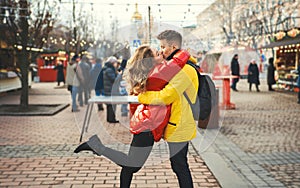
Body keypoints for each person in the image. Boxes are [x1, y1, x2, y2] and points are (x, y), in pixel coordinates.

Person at [74, 44, 191, 188]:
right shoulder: (157, 74)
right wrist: (183, 51)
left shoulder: (153, 73)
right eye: (157, 53)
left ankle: (97, 147)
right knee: (132, 164)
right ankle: (97, 146)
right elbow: (178, 62)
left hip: (145, 122)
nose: (160, 52)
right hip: (148, 126)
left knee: (130, 163)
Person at [102, 56, 120, 123]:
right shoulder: (110, 70)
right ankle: (112, 119)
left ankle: (109, 118)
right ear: (112, 63)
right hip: (110, 89)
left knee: (109, 105)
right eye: (115, 63)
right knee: (112, 105)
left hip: (107, 89)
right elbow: (114, 79)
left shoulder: (106, 68)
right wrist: (118, 75)